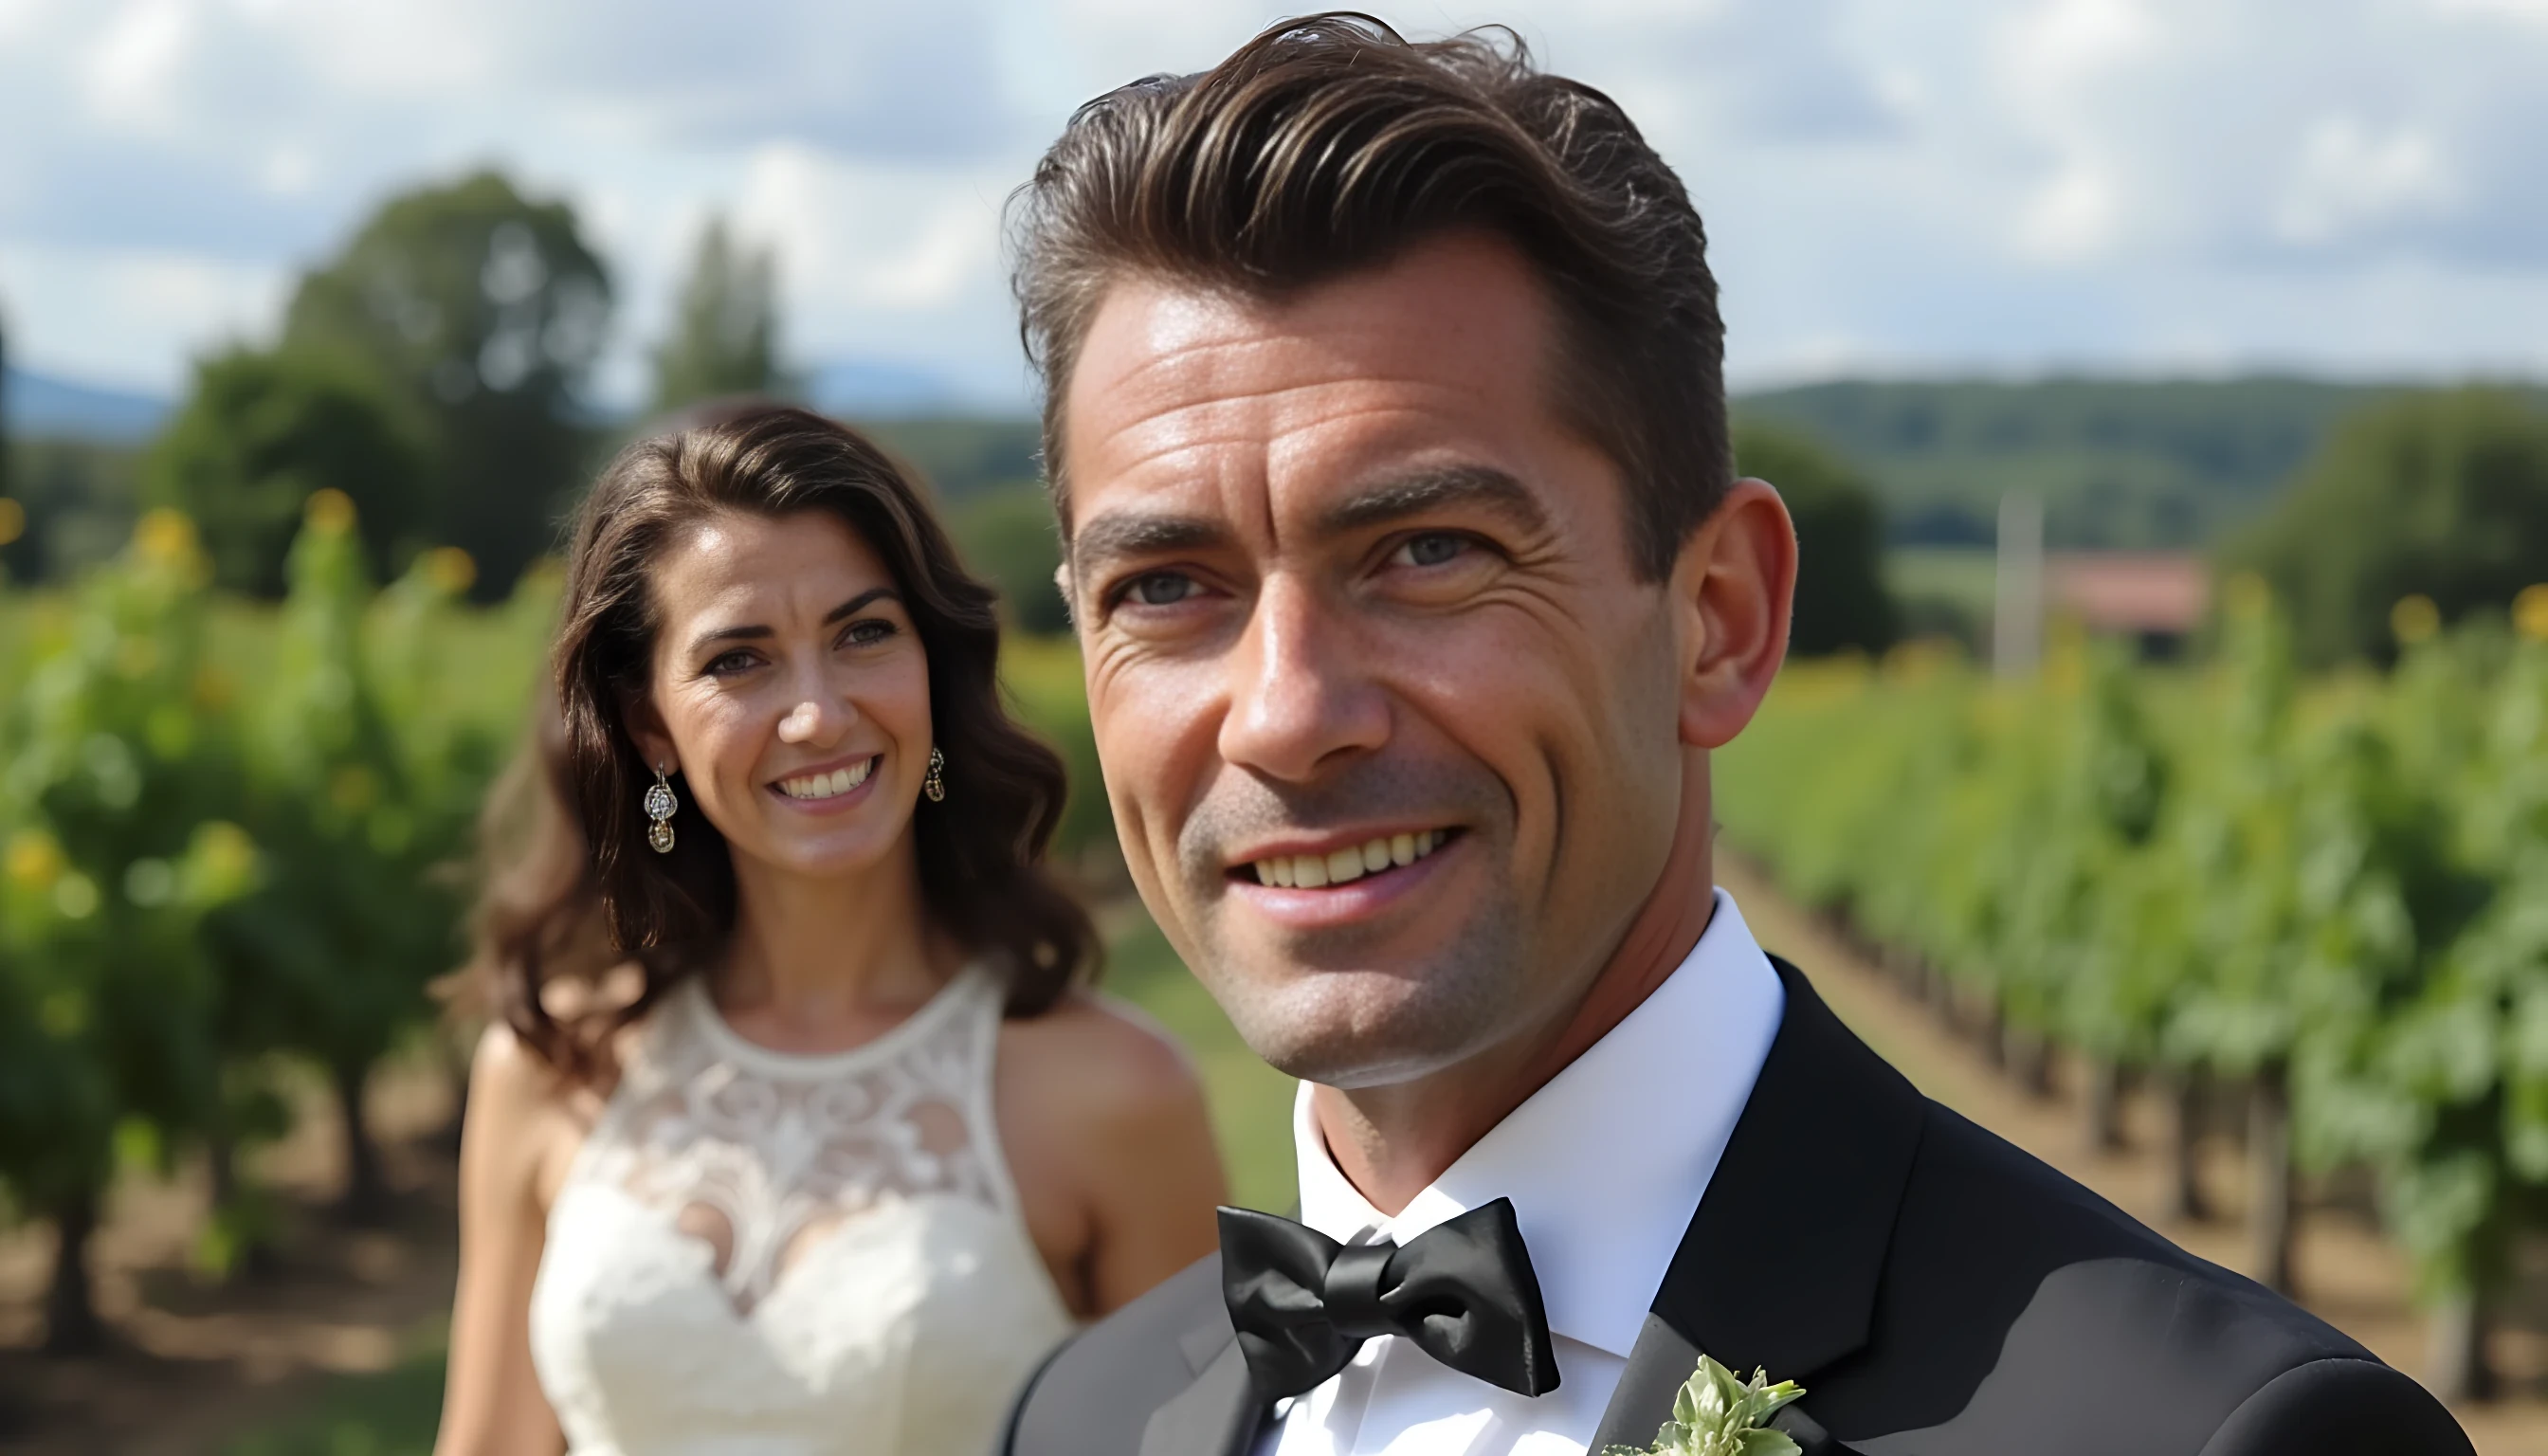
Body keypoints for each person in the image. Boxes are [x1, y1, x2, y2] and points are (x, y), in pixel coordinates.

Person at [996, 16, 2472, 1456]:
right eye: (1168, 588)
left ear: (1720, 617)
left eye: (1428, 553)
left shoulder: (2218, 1434)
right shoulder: (1080, 1420)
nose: (1286, 714)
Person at [432, 407, 1226, 1456]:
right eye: (738, 661)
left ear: (931, 669)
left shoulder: (1117, 1096)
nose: (818, 715)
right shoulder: (548, 1069)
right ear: (650, 725)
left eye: (863, 635)